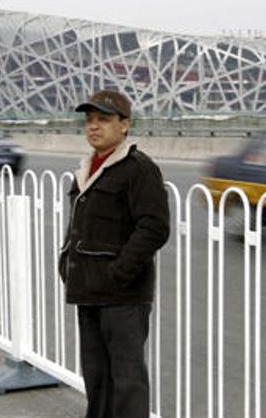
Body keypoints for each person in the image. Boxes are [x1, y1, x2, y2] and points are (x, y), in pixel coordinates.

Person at [58, 89, 170, 418]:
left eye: (103, 120)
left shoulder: (138, 168)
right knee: (97, 379)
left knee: (127, 380)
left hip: (122, 297)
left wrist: (119, 272)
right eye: (89, 120)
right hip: (88, 292)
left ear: (124, 125)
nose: (93, 127)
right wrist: (67, 260)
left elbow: (154, 227)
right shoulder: (88, 169)